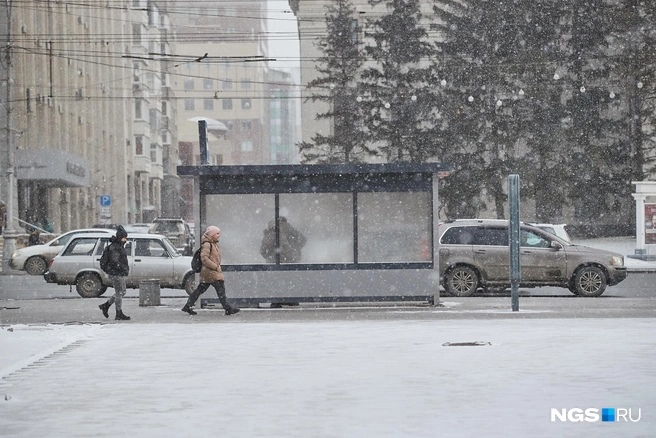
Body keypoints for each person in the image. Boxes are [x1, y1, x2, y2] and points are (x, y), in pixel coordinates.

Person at [182, 225, 240, 316]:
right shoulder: (207, 244)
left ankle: (187, 306)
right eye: (217, 233)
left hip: (208, 273)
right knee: (220, 290)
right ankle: (228, 309)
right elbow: (204, 258)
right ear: (212, 235)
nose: (219, 235)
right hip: (211, 272)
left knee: (200, 290)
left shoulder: (212, 244)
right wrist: (215, 266)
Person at [98, 225, 131, 321]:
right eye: (124, 238)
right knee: (120, 292)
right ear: (120, 237)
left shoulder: (118, 246)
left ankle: (106, 305)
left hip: (118, 273)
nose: (125, 240)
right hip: (116, 273)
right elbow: (115, 261)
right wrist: (123, 268)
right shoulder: (115, 247)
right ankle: (118, 313)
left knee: (122, 292)